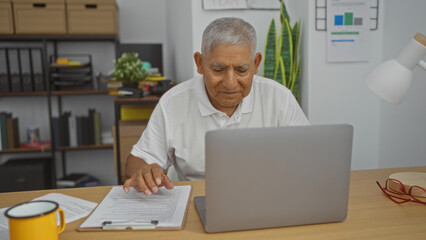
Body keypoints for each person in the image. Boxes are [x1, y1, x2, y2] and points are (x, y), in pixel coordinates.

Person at [123, 17, 309, 196]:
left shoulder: (279, 98)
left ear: (256, 64)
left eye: (241, 70)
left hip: (264, 197)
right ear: (200, 63)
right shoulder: (173, 102)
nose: (230, 83)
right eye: (218, 70)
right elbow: (137, 161)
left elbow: (308, 157)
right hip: (193, 199)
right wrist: (144, 172)